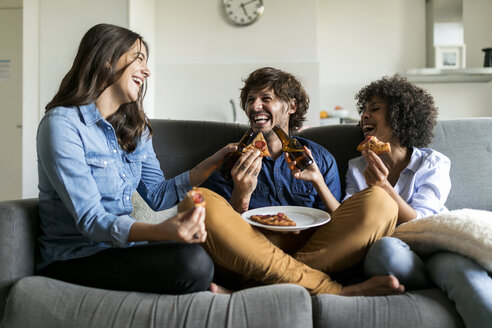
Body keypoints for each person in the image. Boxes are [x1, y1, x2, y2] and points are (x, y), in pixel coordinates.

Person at [36, 23, 235, 294]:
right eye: (138, 58)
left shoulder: (135, 128)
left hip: (123, 252)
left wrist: (211, 164)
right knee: (193, 264)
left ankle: (214, 289)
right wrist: (162, 232)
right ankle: (209, 290)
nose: (147, 70)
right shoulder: (63, 124)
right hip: (75, 258)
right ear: (107, 59)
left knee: (210, 248)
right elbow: (91, 219)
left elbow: (156, 194)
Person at [199, 67, 403, 296]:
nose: (255, 106)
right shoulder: (231, 159)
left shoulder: (320, 158)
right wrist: (241, 195)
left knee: (382, 201)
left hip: (312, 250)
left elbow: (339, 224)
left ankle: (256, 288)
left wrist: (317, 181)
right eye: (250, 100)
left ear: (292, 107)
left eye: (266, 99)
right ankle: (334, 290)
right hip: (251, 251)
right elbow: (223, 231)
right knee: (199, 201)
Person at [342, 75, 492, 327]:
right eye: (363, 111)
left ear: (400, 118)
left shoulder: (433, 164)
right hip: (394, 248)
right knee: (385, 252)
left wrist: (383, 187)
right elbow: (351, 222)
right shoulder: (356, 168)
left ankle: (443, 277)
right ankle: (436, 282)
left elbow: (423, 220)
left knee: (460, 271)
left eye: (374, 109)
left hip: (434, 245)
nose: (364, 116)